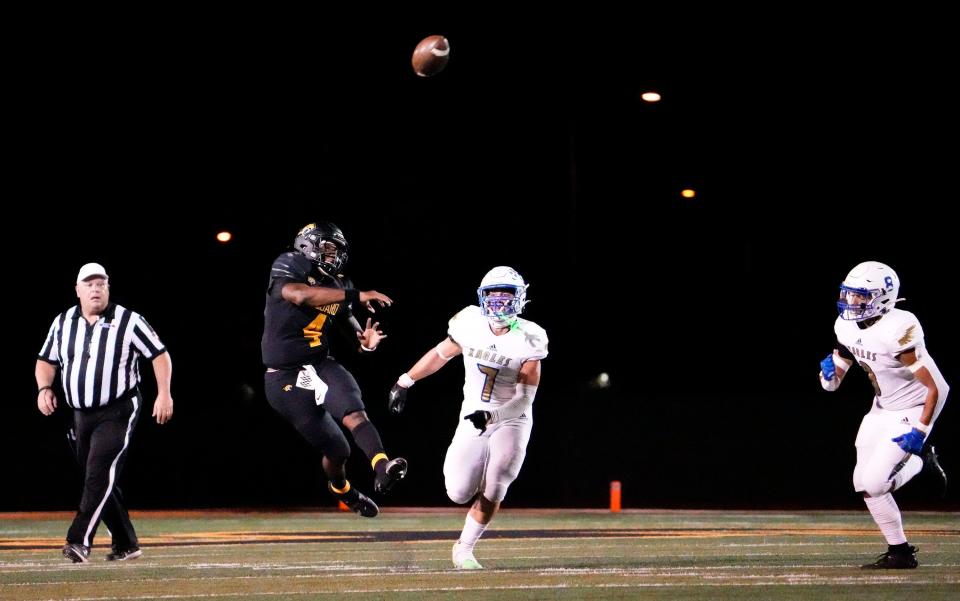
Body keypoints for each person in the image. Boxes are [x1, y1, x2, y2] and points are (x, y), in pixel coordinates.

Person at [388, 266, 548, 569]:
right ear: (482, 297)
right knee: (458, 491)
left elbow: (525, 398)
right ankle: (473, 490)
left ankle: (464, 548)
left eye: (506, 295)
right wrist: (404, 381)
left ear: (521, 299)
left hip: (511, 418)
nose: (499, 302)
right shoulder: (469, 321)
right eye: (494, 295)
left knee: (498, 479)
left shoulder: (530, 337)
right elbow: (440, 354)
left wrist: (493, 415)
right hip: (472, 413)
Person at [261, 221, 408, 517]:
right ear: (307, 244)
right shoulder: (289, 263)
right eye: (327, 248)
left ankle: (382, 466)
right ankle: (343, 490)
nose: (333, 255)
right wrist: (356, 295)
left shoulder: (338, 284)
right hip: (283, 376)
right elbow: (299, 295)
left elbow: (351, 329)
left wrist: (365, 343)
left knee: (354, 410)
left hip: (320, 363)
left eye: (336, 250)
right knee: (338, 451)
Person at [36, 262, 173, 563]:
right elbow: (46, 360)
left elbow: (159, 355)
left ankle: (79, 540)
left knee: (98, 473)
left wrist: (164, 393)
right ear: (78, 290)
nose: (96, 289)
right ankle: (125, 543)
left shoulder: (129, 320)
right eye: (89, 284)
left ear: (108, 287)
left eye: (101, 283)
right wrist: (44, 388)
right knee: (96, 476)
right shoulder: (63, 322)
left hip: (119, 408)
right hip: (80, 413)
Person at [819, 261, 949, 569]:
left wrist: (920, 430)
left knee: (876, 482)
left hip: (911, 410)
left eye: (861, 296)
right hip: (880, 410)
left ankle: (901, 550)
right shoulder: (846, 325)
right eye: (849, 294)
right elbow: (834, 381)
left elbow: (939, 389)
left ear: (883, 298)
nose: (852, 302)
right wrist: (827, 376)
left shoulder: (898, 329)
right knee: (862, 483)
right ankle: (899, 548)